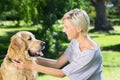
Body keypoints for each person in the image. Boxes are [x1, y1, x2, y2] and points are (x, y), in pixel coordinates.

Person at [13, 8, 103, 80]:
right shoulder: (75, 42)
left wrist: (31, 66)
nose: (63, 30)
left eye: (67, 27)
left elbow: (61, 74)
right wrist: (29, 59)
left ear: (78, 28)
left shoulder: (90, 53)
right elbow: (57, 64)